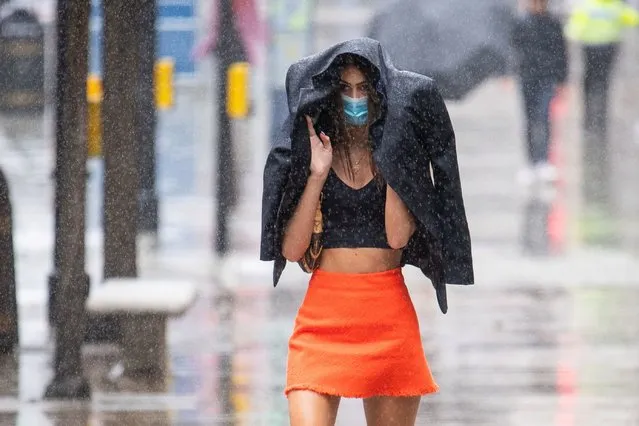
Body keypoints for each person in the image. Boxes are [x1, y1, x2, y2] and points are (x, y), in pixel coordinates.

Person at [260, 38, 474, 425]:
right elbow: (293, 250)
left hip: (387, 318)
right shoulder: (318, 153)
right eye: (346, 88)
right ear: (332, 93)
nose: (355, 98)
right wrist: (316, 175)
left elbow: (396, 237)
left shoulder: (395, 155)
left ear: (378, 95)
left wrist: (395, 158)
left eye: (363, 88)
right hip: (322, 319)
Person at [564, 0, 639, 209]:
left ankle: (590, 118)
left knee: (590, 86)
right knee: (602, 87)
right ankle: (599, 119)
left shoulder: (588, 6)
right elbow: (632, 19)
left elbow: (573, 29)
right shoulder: (615, 6)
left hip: (590, 49)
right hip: (608, 48)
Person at [511, 0, 569, 184]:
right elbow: (514, 49)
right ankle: (530, 162)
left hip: (546, 77)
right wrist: (511, 72)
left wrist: (561, 79)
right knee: (529, 119)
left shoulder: (553, 22)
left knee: (543, 117)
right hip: (527, 77)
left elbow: (561, 52)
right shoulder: (520, 22)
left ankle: (543, 160)